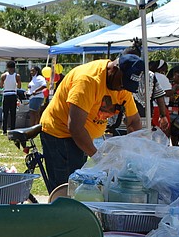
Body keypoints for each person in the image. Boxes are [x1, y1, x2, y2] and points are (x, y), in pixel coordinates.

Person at [39, 54, 144, 192]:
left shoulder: (122, 88)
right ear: (114, 69)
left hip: (83, 137)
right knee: (68, 191)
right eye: (122, 83)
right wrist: (99, 159)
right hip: (60, 134)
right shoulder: (87, 80)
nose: (122, 88)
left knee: (81, 187)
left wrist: (138, 153)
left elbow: (134, 121)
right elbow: (75, 128)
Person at [0, 61, 21, 134]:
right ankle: (12, 129)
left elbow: (1, 86)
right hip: (13, 94)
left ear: (7, 67)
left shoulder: (3, 76)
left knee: (5, 113)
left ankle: (4, 130)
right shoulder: (17, 76)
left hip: (6, 94)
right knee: (13, 113)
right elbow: (19, 86)